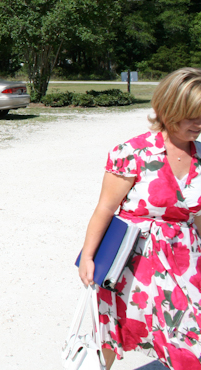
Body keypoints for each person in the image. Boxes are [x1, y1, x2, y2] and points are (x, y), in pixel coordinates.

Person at [78, 67, 201, 369]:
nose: (199, 124)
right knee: (110, 332)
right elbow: (105, 209)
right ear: (170, 109)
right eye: (192, 115)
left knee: (188, 334)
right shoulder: (132, 153)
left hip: (185, 262)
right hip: (133, 263)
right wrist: (88, 257)